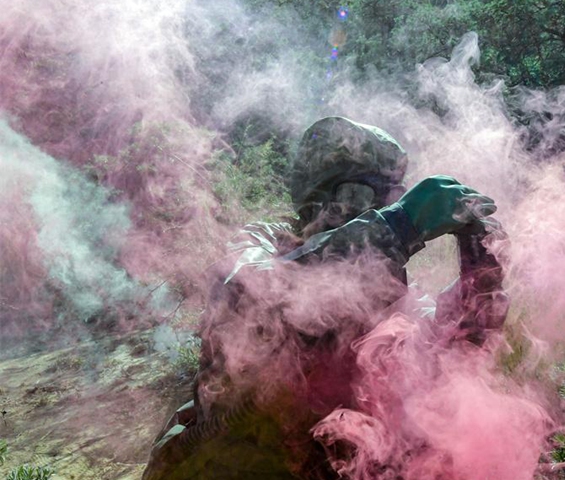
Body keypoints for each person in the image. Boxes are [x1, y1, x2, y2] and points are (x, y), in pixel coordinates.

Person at [143, 117, 508, 480]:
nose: (374, 208)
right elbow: (251, 297)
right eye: (365, 194)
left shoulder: (386, 285)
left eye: (390, 197)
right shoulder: (265, 244)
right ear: (319, 195)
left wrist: (479, 281)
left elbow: (447, 355)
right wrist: (395, 226)